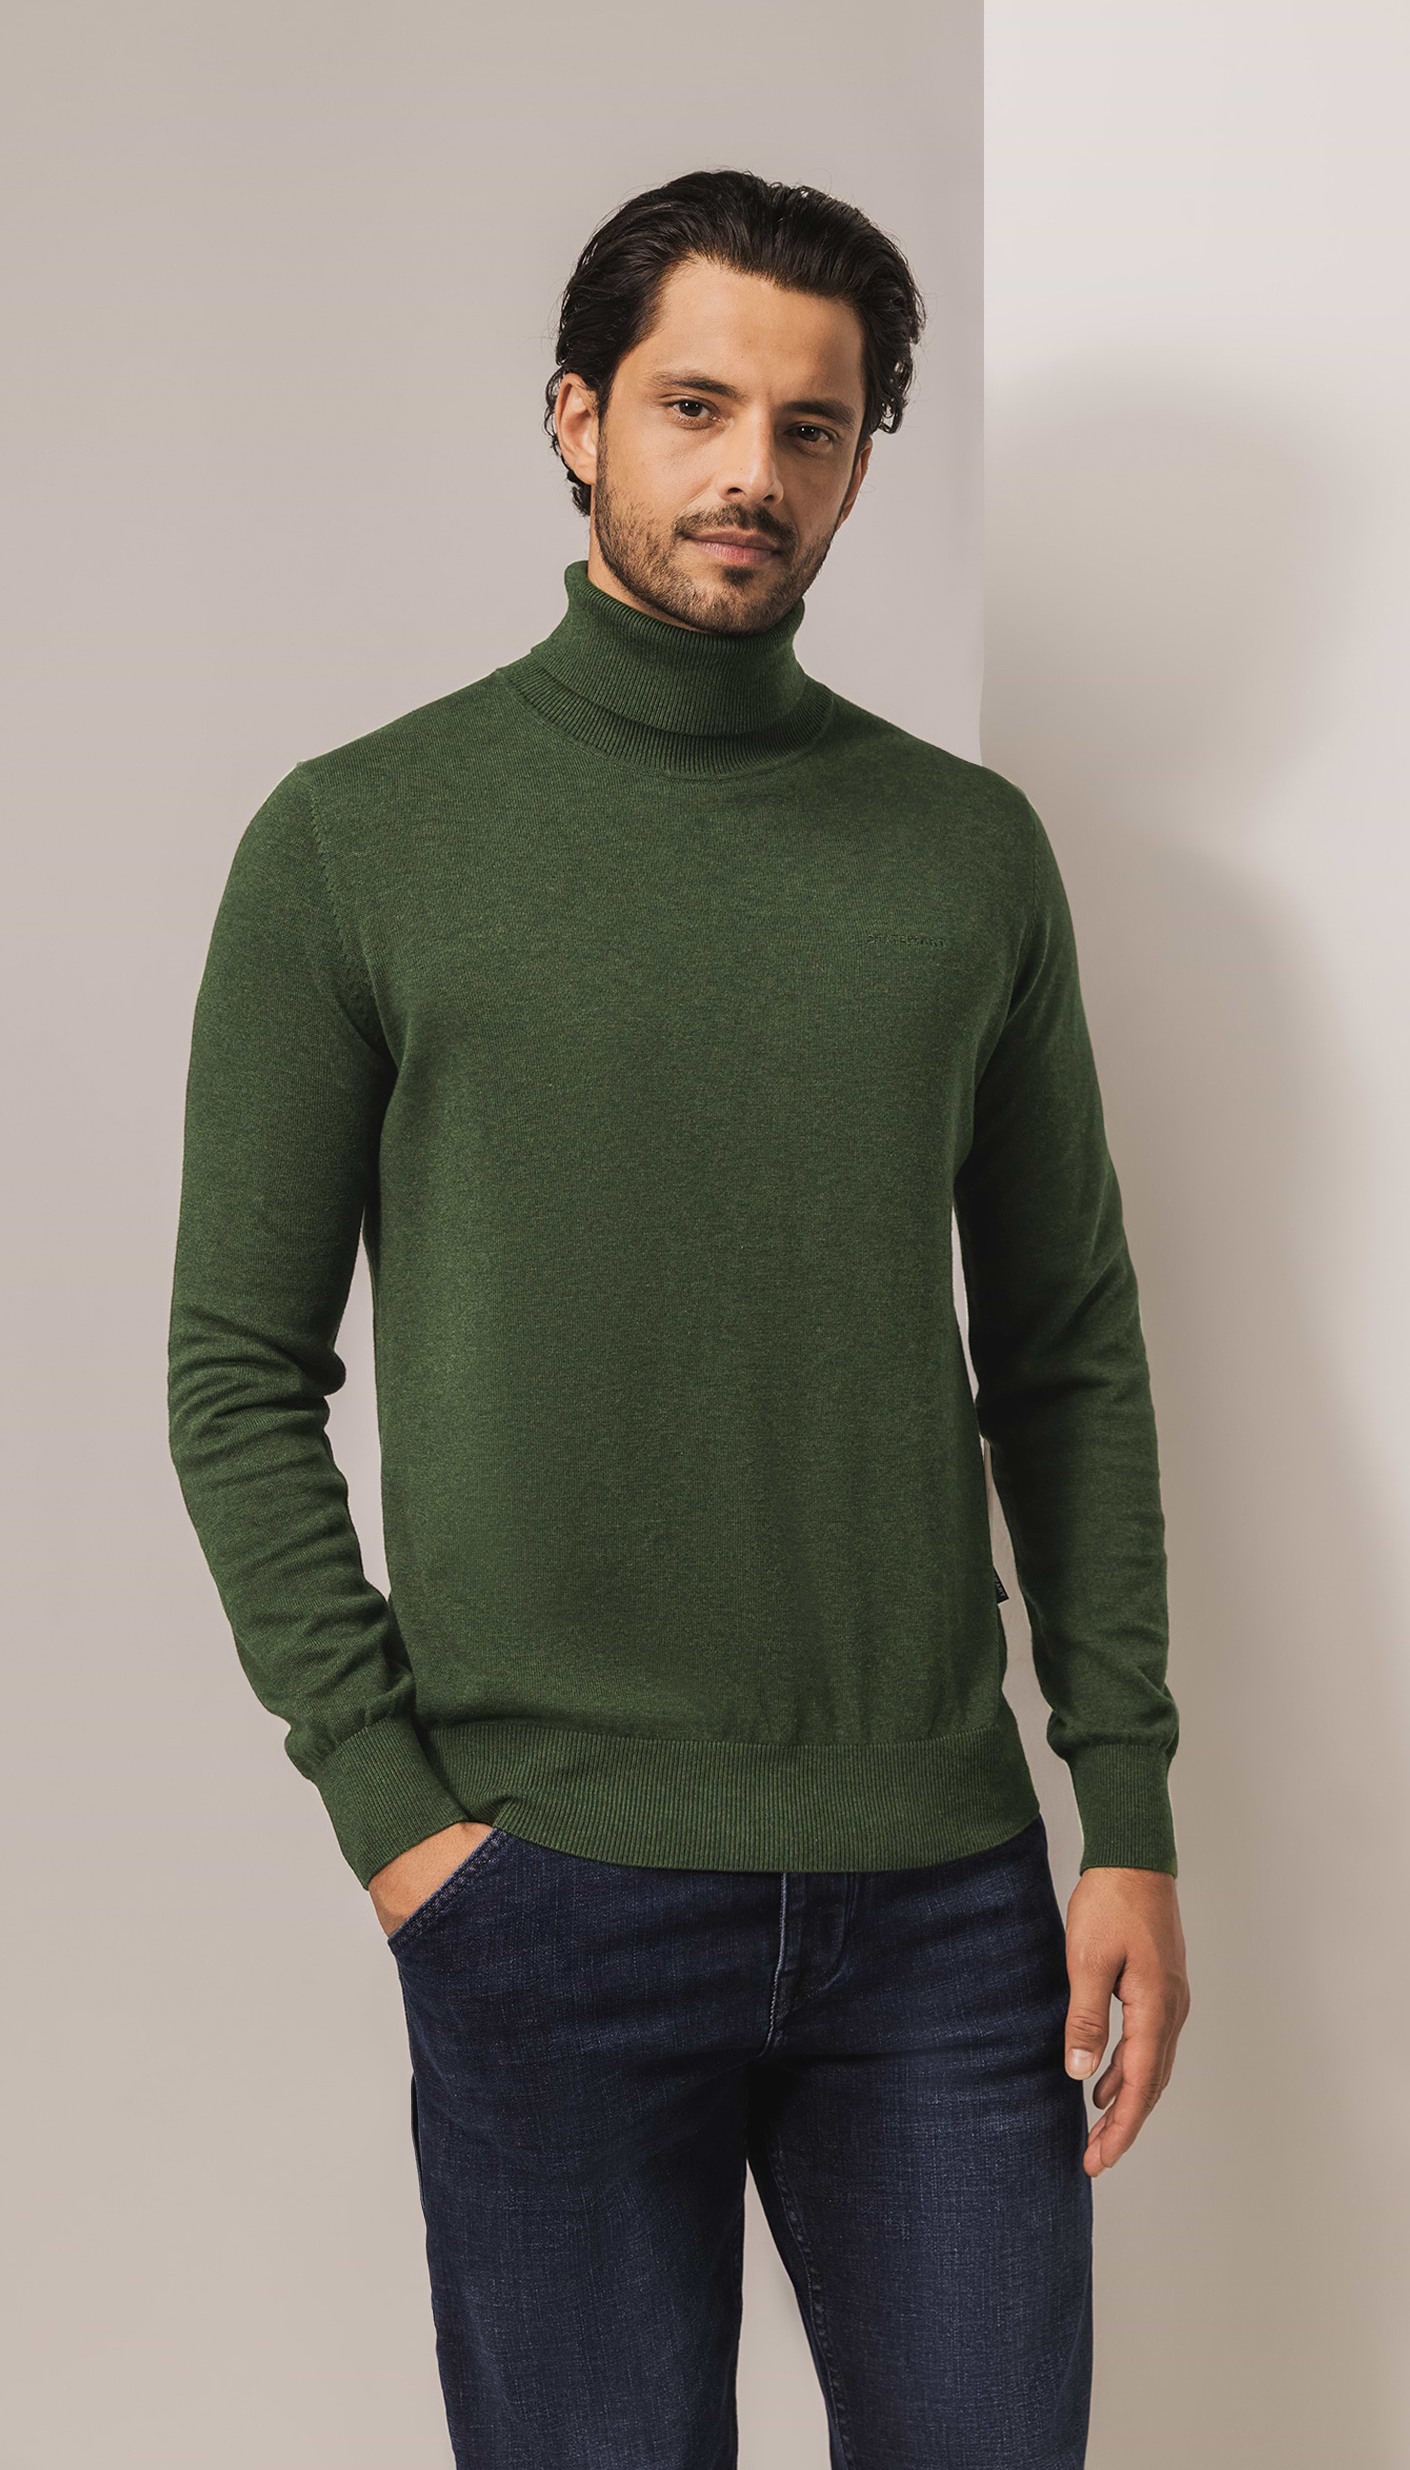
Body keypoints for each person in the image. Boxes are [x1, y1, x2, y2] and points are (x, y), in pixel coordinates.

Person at [167, 167, 1188, 2468]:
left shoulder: (966, 853)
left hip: (941, 1898)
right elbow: (235, 1372)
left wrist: (1122, 1803)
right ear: (578, 418)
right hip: (544, 1886)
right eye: (696, 406)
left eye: (814, 427)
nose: (754, 472)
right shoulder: (360, 839)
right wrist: (398, 1814)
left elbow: (1064, 1348)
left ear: (860, 462)